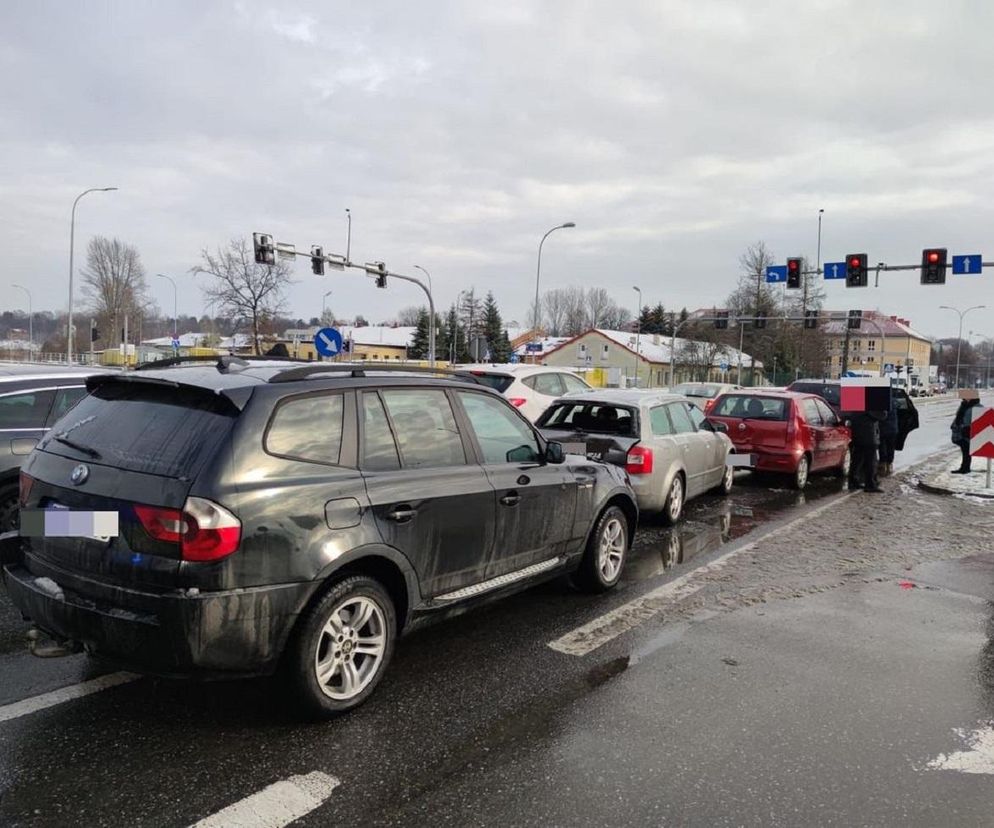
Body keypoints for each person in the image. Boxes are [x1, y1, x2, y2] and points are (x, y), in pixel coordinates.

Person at [848, 409, 886, 492]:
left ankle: (853, 482)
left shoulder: (854, 401)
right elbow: (882, 415)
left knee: (857, 458)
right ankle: (870, 484)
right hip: (868, 432)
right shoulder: (871, 403)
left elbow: (848, 413)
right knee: (871, 460)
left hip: (856, 431)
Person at [951, 395, 982, 474]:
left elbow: (981, 419)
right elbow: (958, 416)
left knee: (966, 450)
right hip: (960, 431)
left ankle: (965, 468)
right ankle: (964, 468)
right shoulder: (963, 405)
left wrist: (970, 428)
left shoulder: (978, 406)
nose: (965, 398)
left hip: (968, 431)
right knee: (965, 450)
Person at [878, 394, 899, 476]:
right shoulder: (893, 401)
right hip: (893, 429)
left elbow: (881, 416)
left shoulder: (880, 402)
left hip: (883, 428)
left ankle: (883, 464)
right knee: (891, 447)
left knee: (882, 447)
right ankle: (889, 464)